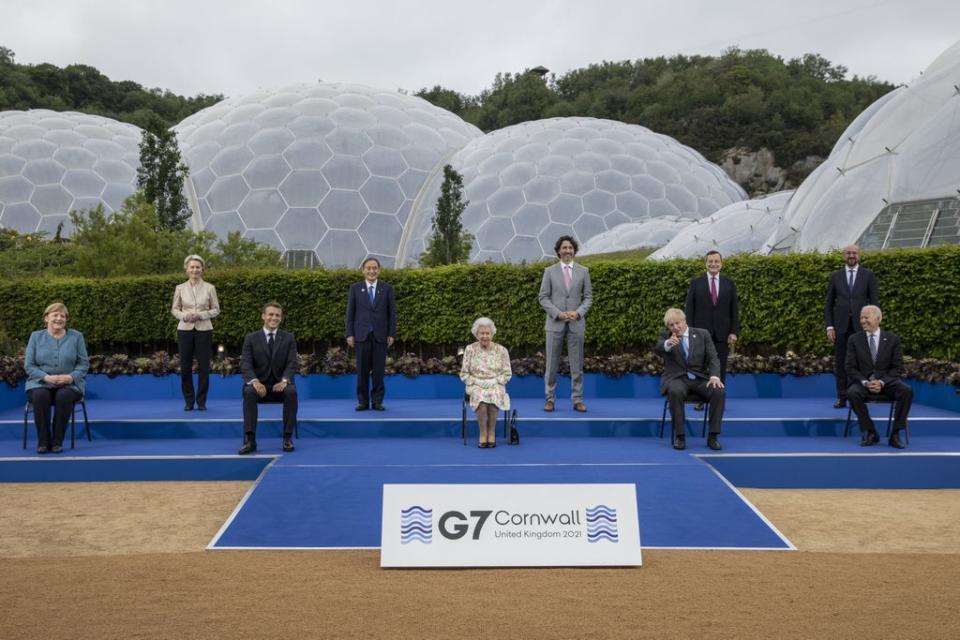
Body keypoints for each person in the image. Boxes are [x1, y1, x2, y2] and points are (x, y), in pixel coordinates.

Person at [654, 308, 725, 451]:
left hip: (699, 379)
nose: (675, 327)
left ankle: (713, 436)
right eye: (671, 325)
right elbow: (659, 347)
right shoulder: (665, 336)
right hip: (677, 378)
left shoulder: (702, 334)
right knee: (675, 391)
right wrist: (668, 344)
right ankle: (680, 437)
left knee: (718, 391)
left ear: (685, 321)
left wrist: (714, 376)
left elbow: (713, 357)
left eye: (677, 323)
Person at [24, 302, 89, 454]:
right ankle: (43, 442)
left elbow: (83, 364)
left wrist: (70, 377)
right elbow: (29, 365)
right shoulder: (35, 336)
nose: (59, 318)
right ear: (46, 318)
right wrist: (45, 377)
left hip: (69, 385)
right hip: (40, 383)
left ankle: (57, 441)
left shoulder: (76, 337)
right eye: (55, 315)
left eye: (63, 316)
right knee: (40, 395)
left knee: (64, 395)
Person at [538, 235, 593, 413]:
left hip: (576, 324)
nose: (567, 250)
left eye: (570, 248)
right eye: (564, 248)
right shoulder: (549, 271)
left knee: (577, 365)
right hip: (554, 325)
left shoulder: (584, 271)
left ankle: (577, 400)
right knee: (551, 364)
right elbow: (543, 297)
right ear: (558, 251)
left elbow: (588, 297)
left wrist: (578, 313)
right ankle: (550, 399)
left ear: (574, 250)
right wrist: (557, 313)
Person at [845, 305, 912, 449]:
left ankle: (895, 434)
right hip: (864, 383)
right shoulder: (854, 339)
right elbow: (850, 368)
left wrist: (881, 382)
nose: (862, 321)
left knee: (906, 391)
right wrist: (865, 382)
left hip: (886, 382)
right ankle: (871, 431)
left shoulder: (893, 339)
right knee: (852, 393)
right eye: (861, 317)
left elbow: (897, 368)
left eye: (866, 317)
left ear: (878, 318)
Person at [239, 302, 298, 455]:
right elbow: (245, 364)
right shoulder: (251, 338)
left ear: (281, 318)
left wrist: (285, 381)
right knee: (249, 392)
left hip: (280, 385)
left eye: (277, 315)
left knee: (291, 391)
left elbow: (292, 363)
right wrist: (255, 381)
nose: (274, 318)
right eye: (270, 314)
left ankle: (287, 438)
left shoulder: (289, 338)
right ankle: (250, 440)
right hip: (258, 385)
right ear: (263, 316)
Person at [825, 244, 878, 408]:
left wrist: (873, 326)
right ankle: (842, 397)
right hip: (840, 327)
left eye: (854, 253)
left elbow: (874, 304)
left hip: (861, 327)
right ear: (844, 256)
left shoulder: (868, 275)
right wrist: (829, 326)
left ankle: (859, 396)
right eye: (848, 253)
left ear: (859, 255)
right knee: (840, 363)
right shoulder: (836, 276)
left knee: (862, 363)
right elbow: (828, 304)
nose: (851, 255)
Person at [684, 250, 739, 397]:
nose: (713, 264)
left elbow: (734, 310)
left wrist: (734, 331)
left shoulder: (729, 284)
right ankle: (701, 400)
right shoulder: (696, 283)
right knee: (700, 368)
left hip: (723, 334)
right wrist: (689, 332)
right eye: (710, 261)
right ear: (706, 263)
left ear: (721, 264)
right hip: (700, 334)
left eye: (716, 261)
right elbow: (689, 309)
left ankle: (718, 399)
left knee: (719, 368)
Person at [346, 257, 397, 411]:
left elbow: (392, 314)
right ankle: (362, 401)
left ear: (379, 270)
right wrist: (349, 334)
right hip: (361, 335)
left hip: (380, 336)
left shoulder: (387, 289)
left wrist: (391, 334)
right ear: (363, 270)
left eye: (374, 268)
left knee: (379, 371)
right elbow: (350, 313)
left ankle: (377, 401)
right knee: (361, 371)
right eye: (368, 268)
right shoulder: (355, 288)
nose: (371, 271)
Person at [171, 254, 220, 411]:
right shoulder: (179, 288)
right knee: (185, 367)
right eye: (192, 267)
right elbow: (174, 309)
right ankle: (189, 401)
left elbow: (216, 309)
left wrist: (201, 315)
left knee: (204, 367)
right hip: (184, 330)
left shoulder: (210, 288)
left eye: (197, 267)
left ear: (202, 269)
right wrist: (184, 316)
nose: (195, 269)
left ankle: (201, 401)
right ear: (186, 269)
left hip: (204, 330)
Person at [459, 317, 512, 448]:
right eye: (481, 333)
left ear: (492, 334)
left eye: (487, 333)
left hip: (495, 383)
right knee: (481, 399)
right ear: (476, 334)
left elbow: (507, 373)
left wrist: (495, 380)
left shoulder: (502, 350)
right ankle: (483, 433)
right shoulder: (470, 349)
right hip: (476, 384)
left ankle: (491, 432)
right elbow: (464, 373)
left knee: (493, 396)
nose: (485, 336)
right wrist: (476, 381)